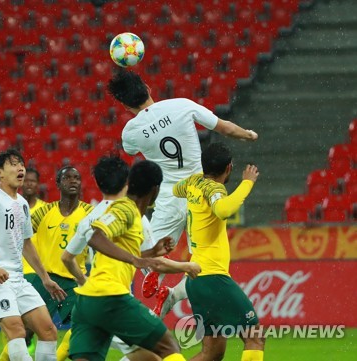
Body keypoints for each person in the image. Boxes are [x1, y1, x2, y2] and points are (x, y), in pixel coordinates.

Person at [107, 70, 259, 317]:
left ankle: (156, 278)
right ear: (148, 87)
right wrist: (248, 134)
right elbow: (225, 128)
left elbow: (132, 150)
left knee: (150, 253)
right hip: (200, 191)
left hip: (168, 194)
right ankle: (176, 292)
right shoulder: (181, 106)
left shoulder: (130, 132)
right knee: (208, 264)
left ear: (124, 104)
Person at [62, 156, 200, 361]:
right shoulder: (126, 210)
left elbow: (110, 248)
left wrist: (150, 253)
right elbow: (95, 237)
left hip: (87, 301)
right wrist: (138, 261)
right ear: (155, 190)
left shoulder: (127, 213)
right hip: (112, 297)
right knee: (169, 348)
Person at [0, 149, 66, 361]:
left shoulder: (21, 203)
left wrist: (45, 278)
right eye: (13, 164)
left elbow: (26, 244)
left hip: (18, 279)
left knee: (48, 331)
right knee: (16, 331)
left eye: (21, 164)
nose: (20, 168)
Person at [173, 143, 264, 361]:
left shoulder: (193, 183)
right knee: (255, 336)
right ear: (229, 168)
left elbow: (176, 189)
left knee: (212, 353)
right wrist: (247, 183)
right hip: (212, 276)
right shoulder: (214, 188)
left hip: (196, 279)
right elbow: (223, 210)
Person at [28, 166, 93, 361]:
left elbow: (105, 240)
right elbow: (17, 234)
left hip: (74, 283)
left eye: (77, 178)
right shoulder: (44, 212)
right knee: (26, 332)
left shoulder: (90, 213)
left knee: (84, 326)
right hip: (45, 281)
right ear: (58, 184)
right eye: (68, 178)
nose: (73, 181)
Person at [20, 168, 48, 356]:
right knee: (18, 318)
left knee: (33, 316)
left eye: (33, 181)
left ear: (38, 185)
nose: (29, 183)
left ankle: (28, 340)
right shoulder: (14, 207)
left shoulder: (46, 209)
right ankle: (25, 341)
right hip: (15, 269)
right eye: (26, 180)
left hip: (37, 270)